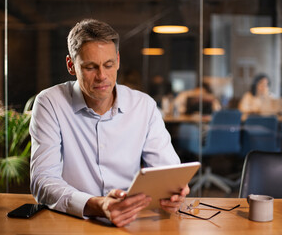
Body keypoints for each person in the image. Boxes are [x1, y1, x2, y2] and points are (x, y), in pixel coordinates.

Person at [29, 18, 188, 228]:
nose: (102, 76)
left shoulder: (144, 106)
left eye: (108, 64)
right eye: (90, 67)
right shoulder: (50, 103)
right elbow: (42, 181)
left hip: (133, 221)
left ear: (118, 60)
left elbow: (168, 171)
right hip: (72, 223)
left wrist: (174, 192)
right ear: (71, 65)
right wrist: (98, 205)